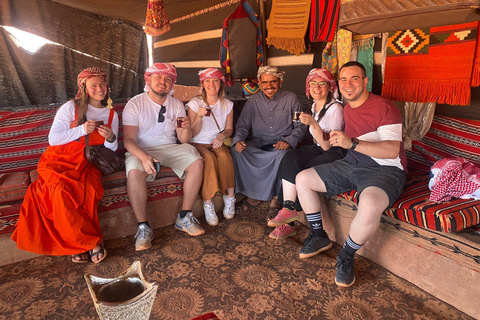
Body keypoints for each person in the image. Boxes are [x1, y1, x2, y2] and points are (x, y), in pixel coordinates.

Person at [295, 61, 407, 287]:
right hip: (351, 163)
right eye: (343, 79)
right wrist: (339, 140)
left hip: (385, 169)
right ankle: (318, 235)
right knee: (303, 179)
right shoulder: (346, 107)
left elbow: (392, 149)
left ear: (365, 81)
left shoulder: (384, 107)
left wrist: (352, 143)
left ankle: (346, 255)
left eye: (354, 78)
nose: (348, 84)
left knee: (371, 204)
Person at [11, 67, 118, 263]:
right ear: (84, 88)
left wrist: (111, 137)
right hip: (59, 160)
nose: (99, 88)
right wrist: (81, 129)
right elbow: (53, 139)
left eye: (102, 83)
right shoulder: (71, 107)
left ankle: (75, 244)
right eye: (93, 85)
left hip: (87, 162)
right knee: (59, 190)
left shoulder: (112, 115)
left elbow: (111, 149)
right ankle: (91, 243)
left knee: (89, 191)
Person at [123, 63, 205, 252]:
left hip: (170, 147)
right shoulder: (135, 104)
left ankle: (184, 216)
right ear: (148, 80)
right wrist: (144, 157)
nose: (163, 82)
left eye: (168, 79)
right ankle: (143, 227)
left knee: (196, 160)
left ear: (172, 84)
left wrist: (186, 128)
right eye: (158, 78)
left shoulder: (176, 104)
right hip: (142, 148)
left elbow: (184, 140)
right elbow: (128, 140)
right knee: (134, 172)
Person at [267, 68, 347, 240]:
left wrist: (312, 124)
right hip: (318, 147)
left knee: (299, 171)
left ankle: (288, 224)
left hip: (334, 151)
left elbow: (327, 145)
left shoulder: (336, 109)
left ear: (330, 87)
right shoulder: (314, 107)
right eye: (313, 83)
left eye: (322, 84)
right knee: (289, 157)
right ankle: (288, 208)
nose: (316, 88)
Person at [231, 66, 306, 214]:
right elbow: (242, 125)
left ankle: (276, 199)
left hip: (281, 143)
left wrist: (289, 141)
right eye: (265, 82)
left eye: (273, 82)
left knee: (283, 156)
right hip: (258, 142)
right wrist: (238, 140)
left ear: (280, 82)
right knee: (237, 151)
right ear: (259, 83)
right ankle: (252, 195)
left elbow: (300, 126)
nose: (269, 86)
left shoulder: (291, 98)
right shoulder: (253, 101)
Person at [187, 68, 236, 226]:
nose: (211, 84)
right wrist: (199, 117)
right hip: (198, 141)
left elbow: (229, 129)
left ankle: (230, 197)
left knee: (225, 156)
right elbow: (192, 132)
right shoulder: (195, 103)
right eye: (207, 81)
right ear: (202, 85)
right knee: (208, 158)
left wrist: (221, 136)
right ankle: (208, 203)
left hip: (217, 141)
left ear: (221, 84)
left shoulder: (227, 104)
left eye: (215, 81)